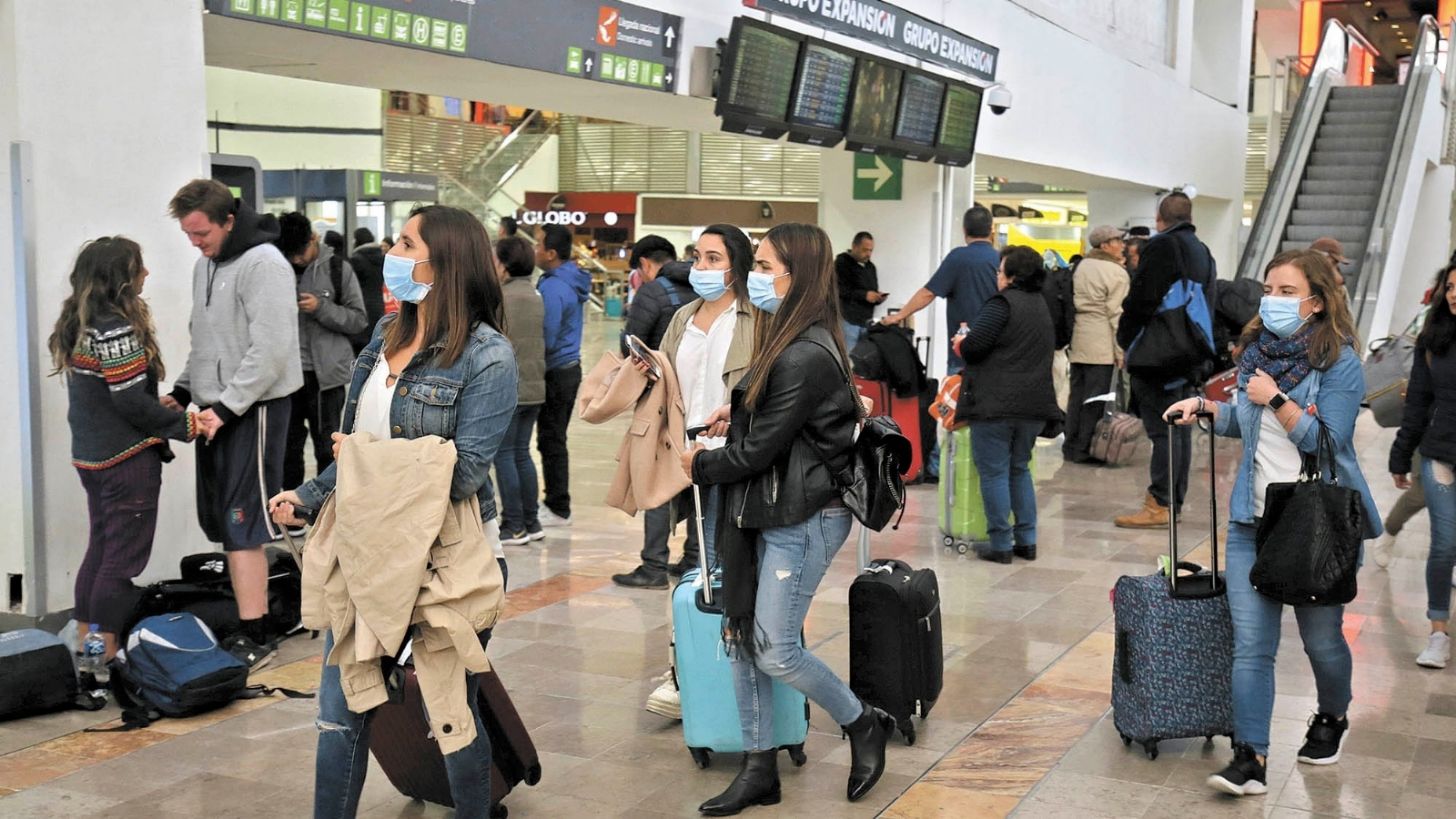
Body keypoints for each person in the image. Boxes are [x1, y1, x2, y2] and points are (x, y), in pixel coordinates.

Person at [268, 205, 516, 819]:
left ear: (445, 263)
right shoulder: (385, 334)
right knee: (340, 711)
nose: (391, 255)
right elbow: (351, 444)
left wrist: (363, 460)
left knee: (449, 713)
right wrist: (310, 495)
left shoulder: (488, 356)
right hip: (368, 549)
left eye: (405, 244)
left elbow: (463, 472)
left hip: (448, 556)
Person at [685, 223, 894, 814]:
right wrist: (736, 412)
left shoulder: (804, 351)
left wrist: (699, 464)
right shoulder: (790, 334)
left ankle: (862, 722)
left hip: (803, 516)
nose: (753, 276)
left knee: (775, 649)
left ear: (796, 276)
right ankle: (759, 769)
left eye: (763, 266)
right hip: (768, 505)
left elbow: (758, 452)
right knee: (742, 638)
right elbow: (778, 418)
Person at [1164, 249, 1378, 797]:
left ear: (1317, 302)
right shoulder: (1258, 354)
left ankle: (1331, 715)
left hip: (1317, 523)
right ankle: (1250, 757)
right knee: (1251, 647)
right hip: (1251, 523)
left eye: (1287, 292)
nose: (1273, 301)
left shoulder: (1340, 363)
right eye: (1269, 290)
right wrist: (1207, 409)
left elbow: (1328, 443)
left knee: (1321, 642)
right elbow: (1252, 422)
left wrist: (1278, 398)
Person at [48, 237, 218, 660]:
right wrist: (187, 424)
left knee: (101, 549)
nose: (147, 273)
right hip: (125, 462)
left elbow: (115, 396)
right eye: (139, 267)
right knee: (120, 563)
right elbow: (129, 403)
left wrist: (151, 403)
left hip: (93, 458)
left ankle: (85, 646)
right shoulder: (115, 327)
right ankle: (103, 655)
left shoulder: (82, 323)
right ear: (121, 278)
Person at [166, 179, 302, 670]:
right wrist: (183, 391)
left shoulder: (265, 264)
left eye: (201, 233)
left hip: (256, 408)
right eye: (188, 234)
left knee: (245, 523)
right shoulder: (205, 265)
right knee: (225, 521)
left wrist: (226, 409)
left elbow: (270, 352)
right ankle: (249, 619)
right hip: (218, 408)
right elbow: (206, 344)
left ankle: (257, 634)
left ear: (228, 220)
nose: (195, 243)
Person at [614, 225, 756, 593]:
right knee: (667, 503)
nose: (701, 267)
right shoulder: (684, 317)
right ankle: (669, 571)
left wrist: (738, 413)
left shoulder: (755, 320)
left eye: (713, 259)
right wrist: (650, 367)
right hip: (680, 438)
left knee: (717, 545)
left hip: (728, 448)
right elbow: (669, 371)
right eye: (697, 258)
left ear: (737, 266)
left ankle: (704, 586)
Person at [1113, 192, 1216, 529]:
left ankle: (1160, 503)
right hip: (1189, 352)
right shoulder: (1202, 250)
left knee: (1162, 432)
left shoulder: (1162, 246)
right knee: (1178, 430)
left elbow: (1141, 300)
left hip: (1159, 356)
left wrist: (1126, 339)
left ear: (1160, 219)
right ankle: (1173, 502)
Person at [953, 245, 1060, 563]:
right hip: (1034, 404)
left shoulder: (1001, 304)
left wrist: (961, 342)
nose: (997, 276)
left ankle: (1000, 544)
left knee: (994, 473)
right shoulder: (1041, 305)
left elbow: (974, 347)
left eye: (1000, 271)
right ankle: (1027, 541)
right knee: (1019, 469)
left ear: (1012, 276)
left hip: (996, 405)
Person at [1390, 261, 1456, 669]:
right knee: (1444, 543)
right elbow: (1416, 402)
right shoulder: (1433, 341)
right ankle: (1438, 632)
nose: (1454, 294)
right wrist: (1401, 454)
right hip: (1440, 454)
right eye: (1450, 287)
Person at [275, 213, 368, 494]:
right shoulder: (277, 269)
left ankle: (326, 505)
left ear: (314, 238)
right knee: (287, 448)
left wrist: (321, 308)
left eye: (300, 253)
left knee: (327, 447)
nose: (297, 260)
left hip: (326, 378)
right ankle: (291, 506)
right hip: (287, 375)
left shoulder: (338, 269)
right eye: (291, 255)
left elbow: (358, 319)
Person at [880, 205, 999, 373]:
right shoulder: (1001, 260)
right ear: (991, 229)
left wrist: (899, 316)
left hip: (962, 355)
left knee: (957, 389)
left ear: (964, 230)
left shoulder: (958, 258)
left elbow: (928, 293)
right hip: (995, 355)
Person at [535, 223, 591, 527]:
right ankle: (557, 503)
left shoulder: (555, 286)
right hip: (567, 368)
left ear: (551, 253)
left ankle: (558, 506)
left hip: (556, 371)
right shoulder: (567, 279)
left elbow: (547, 335)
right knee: (553, 437)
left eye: (539, 245)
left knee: (551, 439)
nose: (535, 250)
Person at [494, 235, 547, 546]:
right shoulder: (535, 294)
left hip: (509, 387)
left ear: (504, 264)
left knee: (504, 455)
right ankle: (531, 520)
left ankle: (513, 525)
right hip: (534, 385)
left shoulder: (501, 298)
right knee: (522, 453)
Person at [1063, 226, 1130, 463]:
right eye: (1117, 241)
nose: (1122, 245)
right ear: (1105, 245)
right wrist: (1120, 351)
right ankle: (1086, 448)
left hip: (1079, 338)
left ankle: (1070, 445)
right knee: (1096, 399)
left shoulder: (1082, 266)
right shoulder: (1116, 272)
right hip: (1102, 342)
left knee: (1076, 396)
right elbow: (1116, 314)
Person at [624, 234, 696, 350]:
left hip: (660, 360)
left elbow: (631, 347)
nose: (641, 279)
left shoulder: (650, 292)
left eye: (640, 274)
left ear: (645, 264)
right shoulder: (701, 285)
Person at [835, 231, 885, 352]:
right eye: (865, 250)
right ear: (854, 246)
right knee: (848, 357)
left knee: (862, 358)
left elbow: (871, 290)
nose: (868, 254)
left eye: (871, 250)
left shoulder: (871, 267)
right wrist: (865, 295)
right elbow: (839, 290)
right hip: (848, 320)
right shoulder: (842, 263)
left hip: (866, 322)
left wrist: (877, 297)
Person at [349, 227, 387, 352]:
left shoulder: (356, 261)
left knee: (360, 346)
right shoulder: (382, 258)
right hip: (379, 305)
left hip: (362, 305)